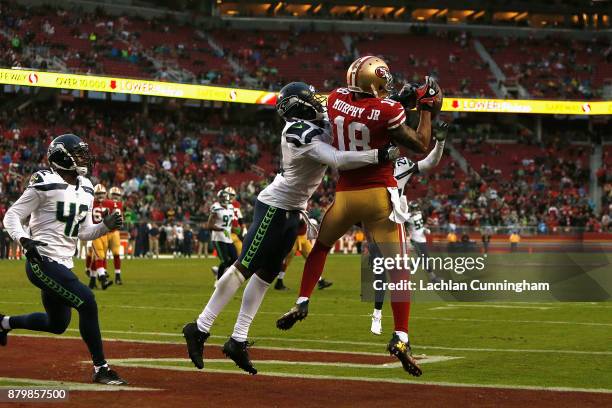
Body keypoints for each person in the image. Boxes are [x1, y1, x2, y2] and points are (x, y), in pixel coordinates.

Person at [182, 81, 399, 375]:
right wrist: (378, 155)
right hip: (274, 206)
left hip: (294, 210)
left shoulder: (315, 121)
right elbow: (336, 158)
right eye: (310, 98)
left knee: (265, 276)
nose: (317, 101)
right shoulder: (296, 131)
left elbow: (352, 123)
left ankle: (237, 340)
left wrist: (391, 102)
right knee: (243, 267)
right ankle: (199, 327)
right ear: (297, 105)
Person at [276, 57, 442, 377]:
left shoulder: (337, 98)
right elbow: (420, 143)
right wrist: (426, 109)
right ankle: (401, 337)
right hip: (378, 195)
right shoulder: (389, 111)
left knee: (321, 247)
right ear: (373, 82)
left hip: (344, 197)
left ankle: (302, 300)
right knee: (397, 269)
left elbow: (365, 109)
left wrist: (399, 99)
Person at [0, 134, 126, 385]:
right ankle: (101, 368)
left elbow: (84, 232)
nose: (84, 159)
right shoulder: (45, 181)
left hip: (63, 263)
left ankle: (3, 323)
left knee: (57, 324)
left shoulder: (87, 187)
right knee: (87, 301)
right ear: (61, 156)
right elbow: (12, 216)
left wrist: (105, 226)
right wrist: (24, 240)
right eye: (78, 154)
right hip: (42, 260)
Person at [370, 126, 447, 336]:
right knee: (378, 272)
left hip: (394, 223)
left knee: (399, 274)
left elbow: (429, 162)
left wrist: (440, 142)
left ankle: (400, 330)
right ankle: (377, 313)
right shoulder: (368, 159)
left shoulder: (402, 165)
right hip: (373, 222)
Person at [274, 218, 333, 291]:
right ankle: (279, 281)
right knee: (286, 261)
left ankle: (320, 281)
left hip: (303, 237)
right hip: (294, 237)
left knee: (312, 259)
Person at [208, 188, 237, 280]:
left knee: (235, 259)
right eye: (222, 197)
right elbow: (209, 225)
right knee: (225, 261)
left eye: (225, 197)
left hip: (228, 237)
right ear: (219, 198)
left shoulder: (231, 207)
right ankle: (218, 281)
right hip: (218, 238)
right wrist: (220, 229)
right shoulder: (216, 207)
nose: (224, 199)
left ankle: (218, 271)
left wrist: (234, 229)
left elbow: (229, 223)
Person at [107, 187, 124, 285]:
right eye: (114, 195)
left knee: (116, 254)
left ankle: (117, 275)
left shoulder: (120, 205)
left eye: (117, 195)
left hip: (114, 232)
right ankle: (101, 275)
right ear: (109, 195)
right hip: (103, 232)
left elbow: (121, 219)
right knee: (101, 255)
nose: (115, 197)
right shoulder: (104, 203)